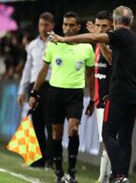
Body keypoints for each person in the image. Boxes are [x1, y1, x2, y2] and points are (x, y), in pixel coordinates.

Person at [48, 5, 136, 183]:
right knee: (124, 137)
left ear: (114, 22)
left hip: (118, 94)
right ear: (131, 21)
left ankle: (118, 175)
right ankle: (121, 176)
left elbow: (92, 37)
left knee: (108, 133)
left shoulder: (119, 35)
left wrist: (62, 39)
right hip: (134, 94)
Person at [29, 11, 95, 183]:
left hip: (75, 95)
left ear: (78, 27)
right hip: (55, 94)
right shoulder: (53, 45)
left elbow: (90, 75)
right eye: (65, 24)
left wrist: (93, 98)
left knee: (73, 129)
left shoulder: (87, 47)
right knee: (56, 134)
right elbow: (43, 70)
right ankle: (58, 172)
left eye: (72, 25)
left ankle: (72, 171)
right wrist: (34, 92)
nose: (68, 28)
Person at [17, 12, 55, 168]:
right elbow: (27, 69)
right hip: (34, 87)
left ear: (52, 25)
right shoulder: (32, 45)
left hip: (51, 85)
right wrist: (22, 90)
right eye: (41, 25)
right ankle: (38, 159)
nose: (43, 28)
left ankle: (51, 159)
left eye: (46, 25)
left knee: (50, 124)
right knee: (36, 123)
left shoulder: (58, 42)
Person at [86, 11, 113, 183]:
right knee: (107, 141)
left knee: (110, 140)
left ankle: (104, 177)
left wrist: (98, 39)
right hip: (99, 101)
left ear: (111, 26)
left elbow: (111, 60)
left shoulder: (112, 44)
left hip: (111, 100)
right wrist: (92, 99)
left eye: (105, 26)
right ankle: (108, 176)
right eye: (98, 26)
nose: (101, 29)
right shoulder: (96, 46)